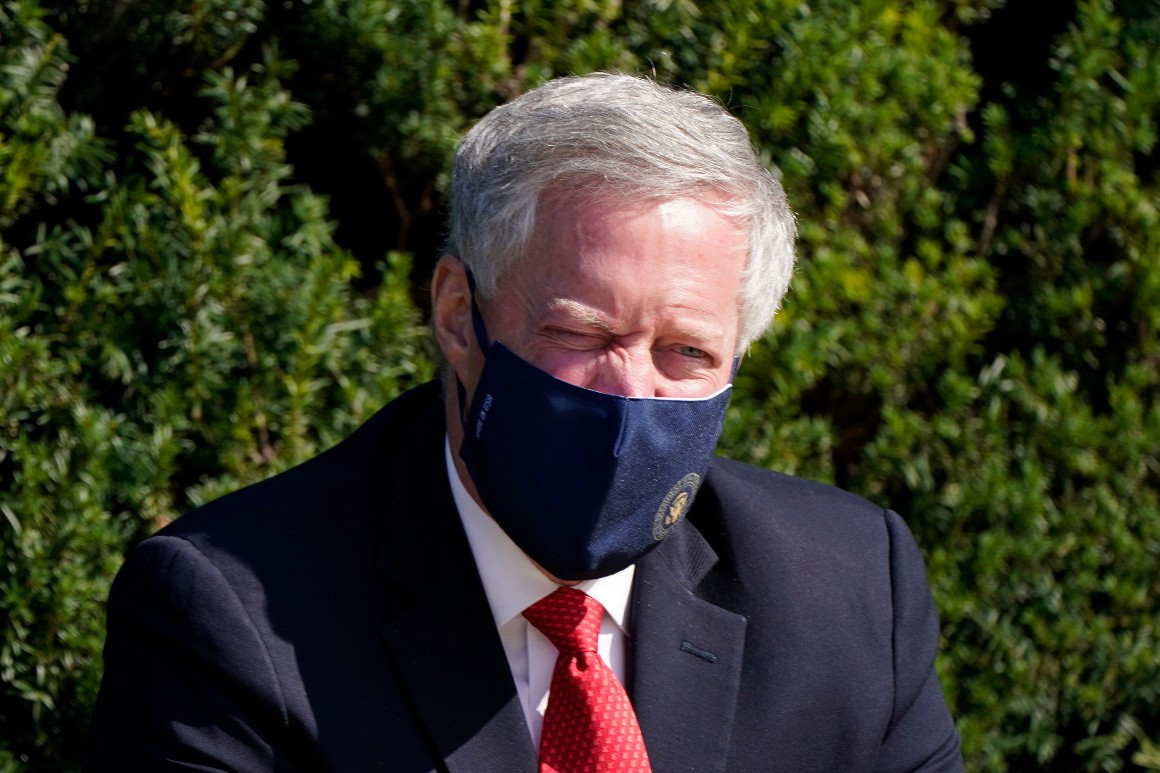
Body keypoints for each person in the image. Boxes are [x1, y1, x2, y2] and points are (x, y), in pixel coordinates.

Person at [87, 73, 963, 772]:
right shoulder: (232, 621)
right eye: (581, 334)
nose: (631, 396)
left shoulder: (850, 594)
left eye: (686, 353)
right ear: (459, 314)